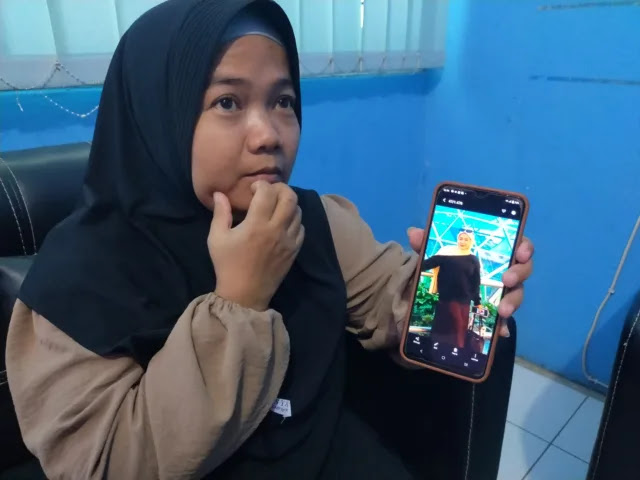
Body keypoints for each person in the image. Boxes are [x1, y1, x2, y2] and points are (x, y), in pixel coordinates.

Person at [5, 1, 534, 478]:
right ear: (157, 113)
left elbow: (388, 301)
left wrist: (452, 292)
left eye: (283, 101)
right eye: (227, 102)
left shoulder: (312, 219)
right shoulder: (76, 282)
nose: (268, 135)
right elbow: (113, 461)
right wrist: (240, 301)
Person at [421, 229, 482, 348]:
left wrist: (477, 302)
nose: (462, 241)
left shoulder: (473, 259)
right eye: (460, 239)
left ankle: (455, 354)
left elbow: (475, 282)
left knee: (459, 331)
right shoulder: (446, 253)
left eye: (466, 239)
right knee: (445, 330)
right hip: (446, 300)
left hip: (463, 302)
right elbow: (427, 264)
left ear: (471, 242)